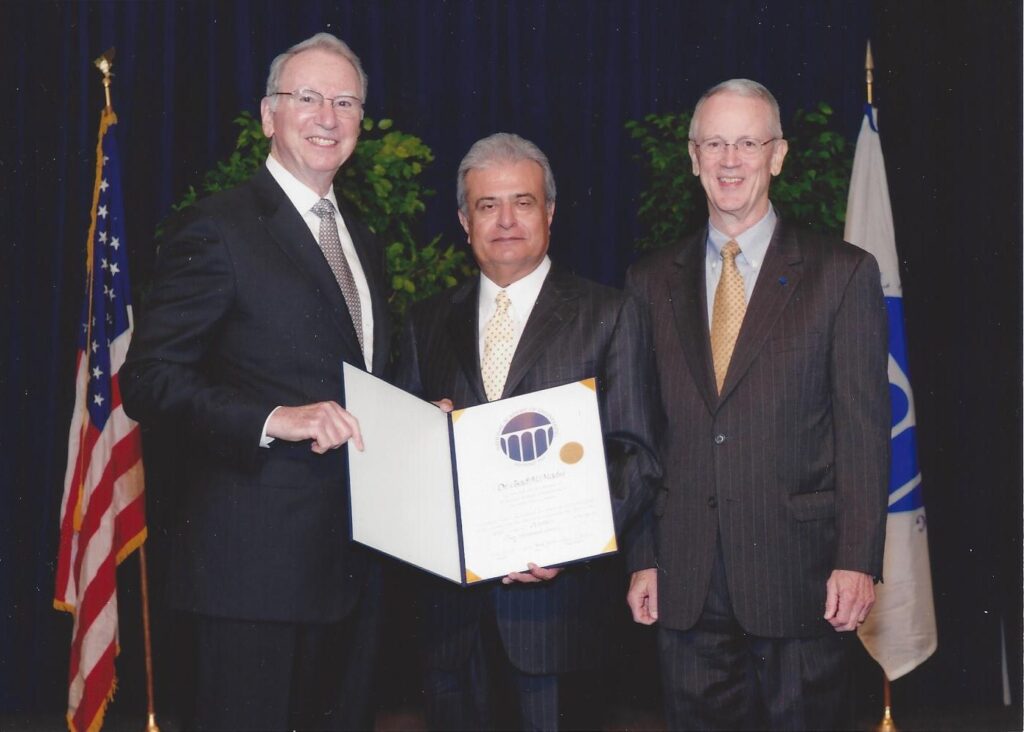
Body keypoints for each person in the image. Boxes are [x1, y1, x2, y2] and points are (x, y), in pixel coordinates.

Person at [122, 32, 389, 731]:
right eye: (307, 98)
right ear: (268, 114)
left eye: (344, 101)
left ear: (362, 121)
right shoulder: (216, 229)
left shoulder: (362, 237)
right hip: (250, 579)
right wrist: (275, 417)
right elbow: (147, 380)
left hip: (351, 573)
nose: (326, 116)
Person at [624, 79, 890, 731]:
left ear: (778, 155)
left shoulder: (843, 273)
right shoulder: (649, 282)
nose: (730, 159)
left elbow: (863, 430)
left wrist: (857, 558)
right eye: (714, 142)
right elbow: (635, 435)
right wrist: (640, 558)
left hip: (801, 578)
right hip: (685, 581)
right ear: (692, 156)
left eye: (748, 142)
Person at [397, 132, 660, 731]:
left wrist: (564, 541)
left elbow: (636, 454)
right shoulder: (425, 322)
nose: (506, 220)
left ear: (550, 212)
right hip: (450, 623)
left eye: (523, 201)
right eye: (488, 205)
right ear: (465, 221)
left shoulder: (610, 313)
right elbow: (405, 465)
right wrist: (421, 438)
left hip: (559, 621)